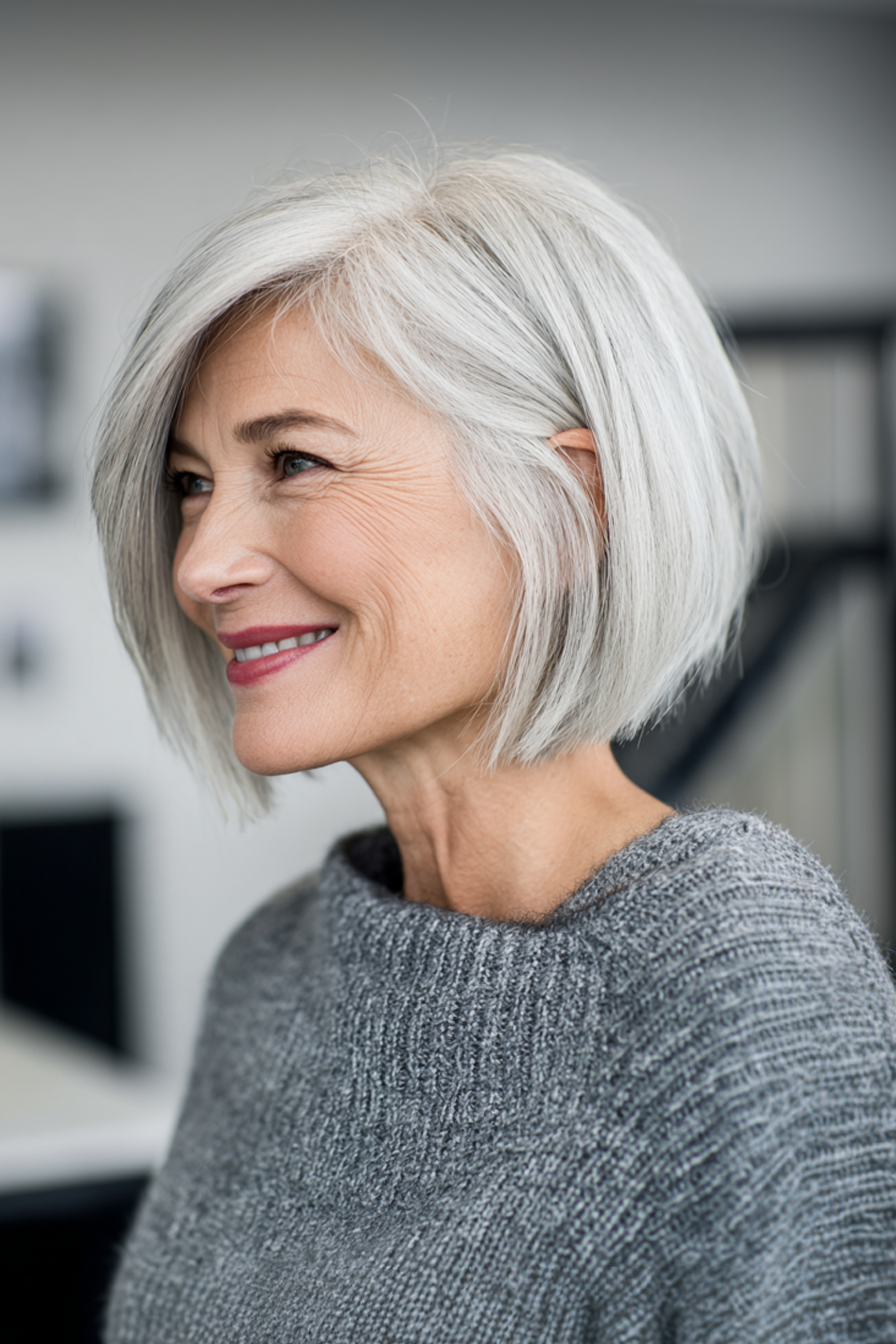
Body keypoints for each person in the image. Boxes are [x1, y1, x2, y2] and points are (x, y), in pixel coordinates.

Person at [92, 149, 896, 1342]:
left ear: (567, 511)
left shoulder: (735, 977)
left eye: (294, 463)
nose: (199, 564)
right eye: (192, 484)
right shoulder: (269, 973)